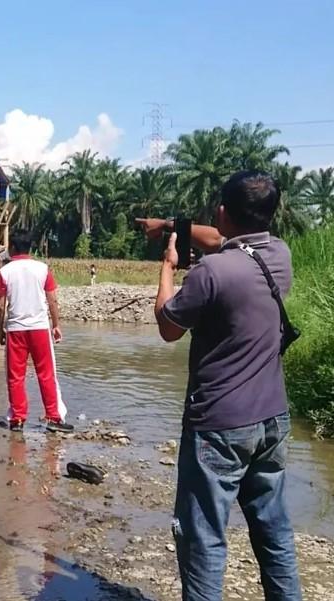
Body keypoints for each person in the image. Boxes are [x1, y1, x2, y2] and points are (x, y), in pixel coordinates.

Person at [143, 171, 302, 601]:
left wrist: (167, 267)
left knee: (203, 538)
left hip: (218, 426)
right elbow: (221, 239)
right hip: (272, 420)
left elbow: (167, 328)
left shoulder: (211, 272)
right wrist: (168, 225)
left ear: (222, 212)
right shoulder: (280, 255)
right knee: (274, 530)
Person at [0, 229, 72, 434]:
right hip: (39, 328)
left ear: (12, 247)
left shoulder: (5, 272)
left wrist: (0, 328)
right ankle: (54, 417)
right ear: (30, 247)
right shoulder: (42, 269)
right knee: (46, 374)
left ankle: (18, 419)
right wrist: (56, 325)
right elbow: (52, 299)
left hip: (16, 330)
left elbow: (1, 305)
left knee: (15, 376)